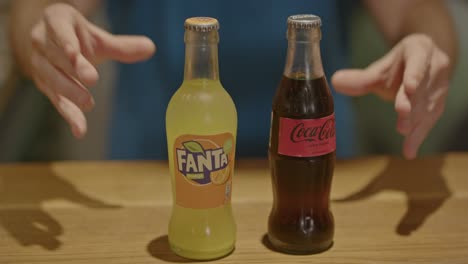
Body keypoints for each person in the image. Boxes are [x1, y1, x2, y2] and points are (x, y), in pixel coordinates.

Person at [9, 0, 458, 160]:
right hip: (156, 176)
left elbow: (419, 9)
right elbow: (36, 10)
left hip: (318, 176)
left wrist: (427, 45)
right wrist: (43, 37)